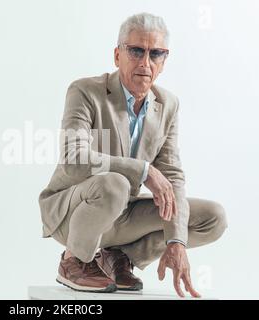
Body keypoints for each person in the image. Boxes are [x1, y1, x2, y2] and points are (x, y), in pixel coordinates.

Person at [38, 12, 227, 298]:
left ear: (164, 61)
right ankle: (73, 260)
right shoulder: (86, 91)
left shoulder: (168, 104)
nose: (145, 62)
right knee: (116, 184)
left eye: (156, 54)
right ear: (117, 55)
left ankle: (120, 257)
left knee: (213, 217)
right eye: (136, 50)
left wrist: (176, 240)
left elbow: (172, 175)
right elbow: (73, 159)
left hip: (124, 215)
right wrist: (143, 171)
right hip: (73, 213)